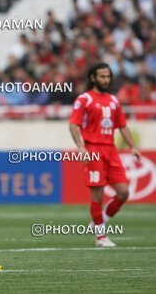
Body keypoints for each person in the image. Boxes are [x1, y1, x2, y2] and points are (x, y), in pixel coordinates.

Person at [69, 62, 140, 247]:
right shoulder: (84, 99)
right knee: (98, 195)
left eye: (108, 77)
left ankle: (99, 223)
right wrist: (80, 146)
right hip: (93, 150)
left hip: (111, 149)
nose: (106, 80)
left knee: (123, 192)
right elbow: (73, 124)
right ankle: (101, 237)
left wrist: (132, 147)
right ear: (93, 78)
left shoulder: (114, 100)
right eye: (102, 76)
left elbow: (122, 125)